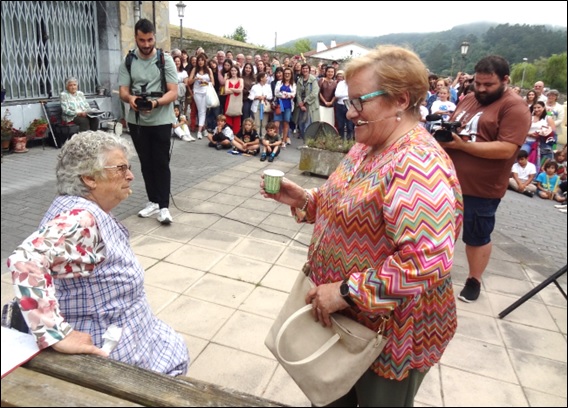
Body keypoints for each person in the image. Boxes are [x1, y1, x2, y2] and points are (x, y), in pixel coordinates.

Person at [260, 45, 463, 407]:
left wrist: (344, 294)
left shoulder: (417, 164)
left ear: (400, 100)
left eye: (359, 102)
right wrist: (306, 200)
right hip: (347, 322)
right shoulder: (369, 144)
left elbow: (425, 261)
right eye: (348, 101)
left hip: (389, 336)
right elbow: (347, 201)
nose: (350, 112)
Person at [7, 131, 189, 376]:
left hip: (128, 336)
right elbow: (26, 260)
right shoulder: (82, 218)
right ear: (90, 178)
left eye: (129, 167)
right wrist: (56, 334)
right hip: (109, 351)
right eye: (121, 168)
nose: (131, 175)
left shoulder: (81, 208)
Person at [440, 55, 531, 303]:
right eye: (477, 83)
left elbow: (506, 149)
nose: (480, 89)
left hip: (482, 188)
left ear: (505, 80)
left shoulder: (515, 107)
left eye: (488, 85)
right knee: (440, 231)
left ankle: (474, 280)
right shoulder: (470, 98)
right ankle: (435, 274)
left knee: (477, 235)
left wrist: (462, 146)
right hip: (448, 181)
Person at [118, 19, 177, 225]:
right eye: (141, 40)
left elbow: (173, 91)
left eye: (149, 39)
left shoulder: (165, 60)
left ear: (154, 37)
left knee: (161, 163)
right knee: (146, 163)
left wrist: (155, 102)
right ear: (136, 38)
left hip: (161, 119)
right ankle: (153, 200)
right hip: (137, 121)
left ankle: (164, 206)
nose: (146, 44)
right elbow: (123, 90)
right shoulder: (129, 61)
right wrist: (131, 99)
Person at [294, 63, 320, 140]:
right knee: (301, 124)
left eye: (306, 68)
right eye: (303, 68)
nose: (305, 70)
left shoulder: (313, 80)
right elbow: (297, 93)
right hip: (300, 106)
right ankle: (304, 141)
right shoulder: (300, 80)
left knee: (308, 124)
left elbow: (315, 93)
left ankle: (308, 142)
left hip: (310, 105)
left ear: (309, 70)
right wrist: (300, 104)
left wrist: (304, 101)